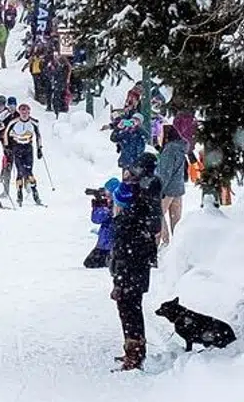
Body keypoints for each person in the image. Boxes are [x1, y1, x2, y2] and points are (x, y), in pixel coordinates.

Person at [109, 178, 158, 370]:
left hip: (129, 274)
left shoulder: (128, 222)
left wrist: (119, 280)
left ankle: (134, 354)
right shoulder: (141, 216)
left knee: (129, 313)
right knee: (132, 312)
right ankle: (135, 350)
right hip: (135, 274)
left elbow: (124, 252)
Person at [4, 103, 44, 205]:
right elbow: (6, 133)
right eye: (22, 111)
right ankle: (19, 193)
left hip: (28, 148)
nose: (25, 114)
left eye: (27, 112)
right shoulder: (14, 122)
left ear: (29, 112)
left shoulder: (33, 122)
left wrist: (39, 148)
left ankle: (35, 193)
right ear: (19, 112)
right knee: (20, 172)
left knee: (29, 172)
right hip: (17, 148)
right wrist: (7, 146)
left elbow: (38, 135)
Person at [155, 125, 188, 246]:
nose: (159, 137)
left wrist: (159, 188)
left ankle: (165, 242)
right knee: (176, 221)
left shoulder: (169, 149)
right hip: (178, 189)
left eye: (161, 134)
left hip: (167, 190)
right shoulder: (180, 147)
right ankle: (178, 245)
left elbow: (165, 172)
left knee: (158, 215)